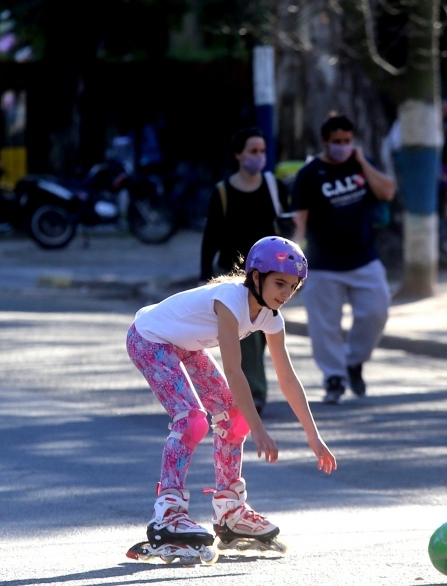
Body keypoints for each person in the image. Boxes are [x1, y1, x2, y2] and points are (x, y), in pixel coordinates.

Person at [126, 237, 337, 559]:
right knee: (191, 420)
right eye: (279, 283)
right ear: (256, 277)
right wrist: (260, 430)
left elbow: (288, 378)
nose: (285, 293)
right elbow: (235, 371)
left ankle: (230, 513)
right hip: (149, 338)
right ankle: (167, 515)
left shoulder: (270, 317)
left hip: (185, 343)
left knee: (233, 418)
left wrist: (314, 435)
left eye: (293, 287)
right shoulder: (230, 301)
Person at [290, 114, 396, 404]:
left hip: (364, 259)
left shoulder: (362, 163)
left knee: (377, 312)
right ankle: (334, 378)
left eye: (347, 141)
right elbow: (299, 218)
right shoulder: (310, 174)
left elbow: (387, 191)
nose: (342, 146)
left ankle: (354, 362)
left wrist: (362, 162)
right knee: (325, 325)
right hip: (323, 263)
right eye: (336, 142)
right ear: (325, 142)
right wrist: (292, 258)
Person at [200, 127, 289, 415]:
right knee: (248, 338)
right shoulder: (223, 192)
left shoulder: (273, 186)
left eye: (262, 151)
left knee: (262, 335)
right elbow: (211, 236)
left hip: (270, 277)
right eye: (253, 151)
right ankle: (254, 394)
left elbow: (287, 225)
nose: (258, 157)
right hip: (234, 275)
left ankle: (243, 388)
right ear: (238, 155)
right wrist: (204, 275)